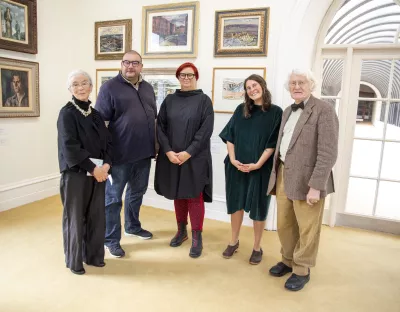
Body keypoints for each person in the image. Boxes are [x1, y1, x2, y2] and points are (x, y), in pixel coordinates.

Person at [267, 69, 339, 291]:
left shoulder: (324, 110)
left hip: (309, 180)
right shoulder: (288, 110)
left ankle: (302, 269)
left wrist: (316, 186)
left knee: (308, 227)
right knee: (284, 224)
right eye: (293, 83)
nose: (296, 86)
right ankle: (288, 260)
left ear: (312, 85)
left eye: (301, 82)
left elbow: (328, 152)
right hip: (283, 174)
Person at [95, 50, 157, 258]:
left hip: (143, 154)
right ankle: (110, 240)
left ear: (141, 66)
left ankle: (132, 226)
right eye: (126, 62)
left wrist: (155, 146)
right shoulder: (109, 88)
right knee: (112, 199)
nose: (130, 66)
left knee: (136, 193)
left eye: (135, 63)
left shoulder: (148, 88)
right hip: (118, 157)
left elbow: (153, 119)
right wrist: (104, 156)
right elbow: (101, 125)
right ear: (121, 64)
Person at [219, 74, 282, 265]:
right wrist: (233, 159)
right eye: (248, 87)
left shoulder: (276, 112)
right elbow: (230, 137)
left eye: (254, 85)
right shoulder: (241, 110)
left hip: (260, 169)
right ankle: (233, 241)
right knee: (236, 204)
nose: (252, 89)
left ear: (262, 86)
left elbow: (272, 144)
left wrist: (258, 164)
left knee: (259, 207)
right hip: (236, 167)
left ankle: (256, 247)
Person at [154, 62, 214, 258]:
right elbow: (160, 127)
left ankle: (197, 236)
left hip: (194, 157)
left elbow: (205, 130)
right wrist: (168, 151)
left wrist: (188, 152)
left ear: (196, 77)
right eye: (182, 75)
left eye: (190, 75)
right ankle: (182, 231)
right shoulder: (169, 100)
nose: (186, 78)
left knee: (193, 195)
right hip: (171, 157)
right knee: (177, 193)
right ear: (178, 77)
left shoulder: (204, 101)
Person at [57, 70, 112, 275]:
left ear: (91, 87)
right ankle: (75, 261)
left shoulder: (96, 114)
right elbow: (69, 147)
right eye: (75, 84)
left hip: (99, 173)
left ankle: (94, 256)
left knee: (97, 216)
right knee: (75, 217)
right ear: (70, 89)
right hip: (76, 174)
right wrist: (93, 168)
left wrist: (106, 165)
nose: (80, 88)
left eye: (84, 83)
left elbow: (108, 143)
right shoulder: (67, 113)